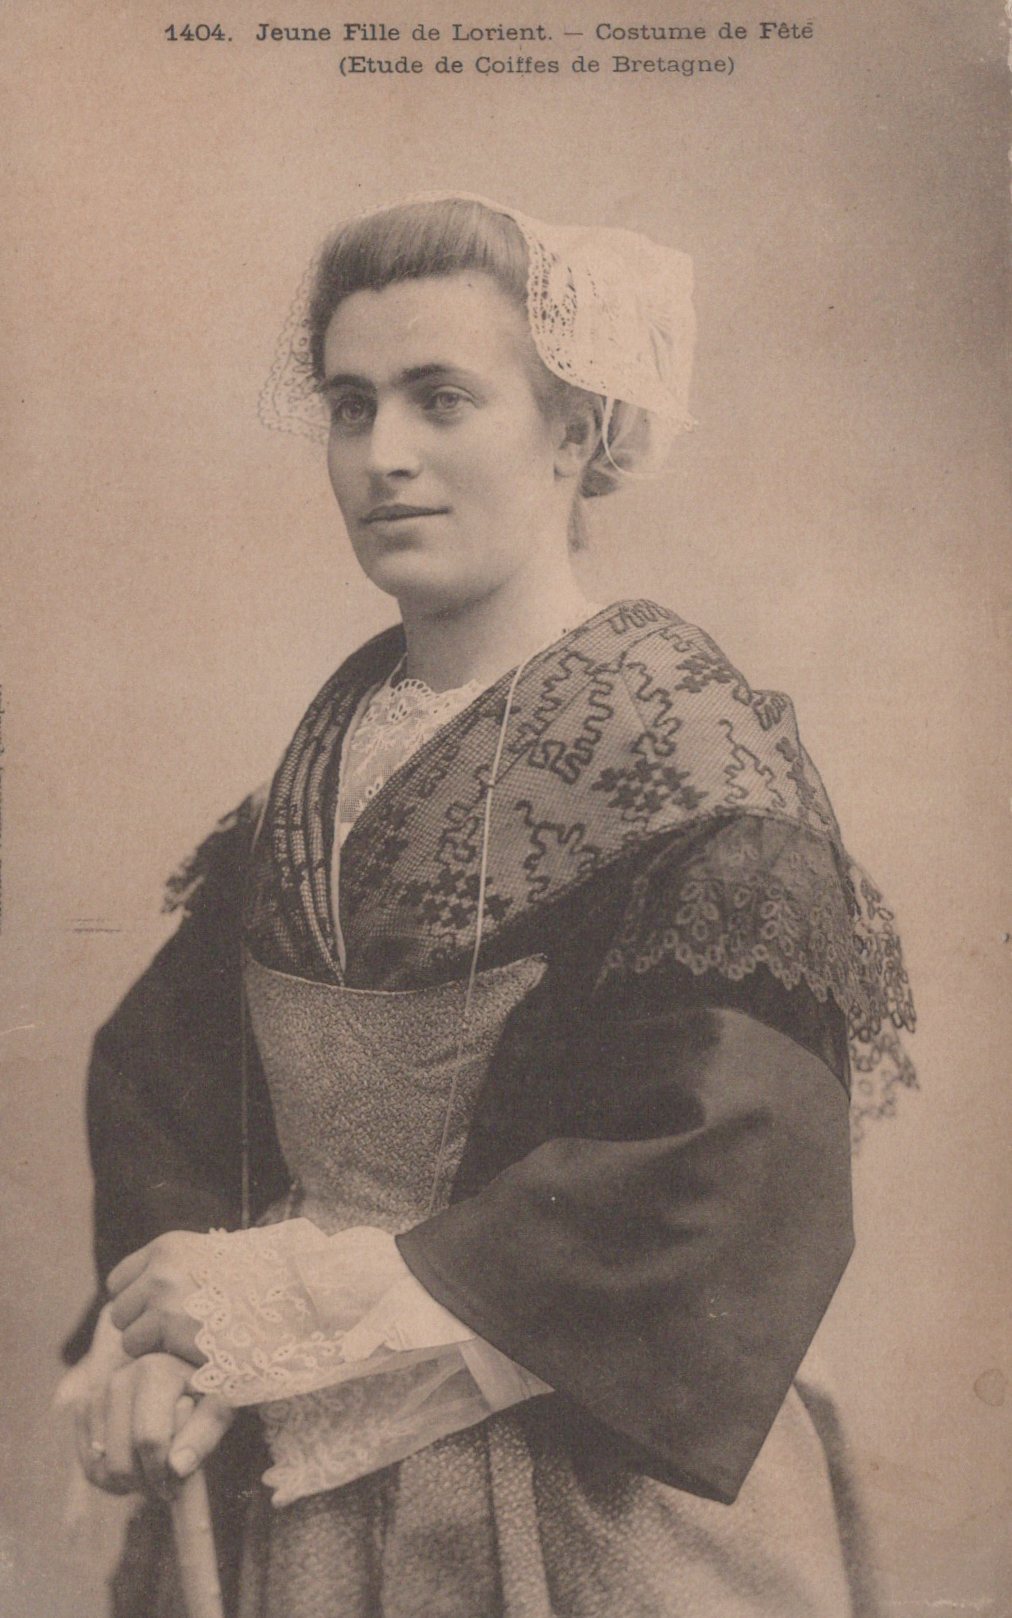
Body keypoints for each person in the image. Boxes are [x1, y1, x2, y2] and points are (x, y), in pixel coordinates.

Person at [61, 195, 915, 1618]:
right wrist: (163, 1327)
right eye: (351, 405)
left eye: (442, 399)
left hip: (586, 1493)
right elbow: (176, 1077)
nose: (383, 455)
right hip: (300, 1488)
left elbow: (726, 1165)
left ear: (576, 431)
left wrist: (292, 1306)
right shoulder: (337, 745)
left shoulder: (687, 746)